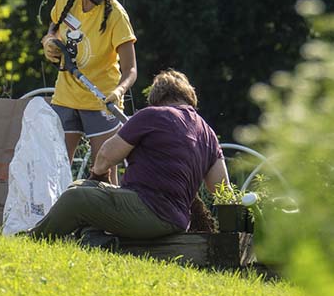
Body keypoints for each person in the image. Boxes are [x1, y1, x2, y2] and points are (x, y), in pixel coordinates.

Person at [27, 69, 231, 244]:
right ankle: (93, 238)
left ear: (157, 98)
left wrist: (98, 176)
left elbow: (106, 155)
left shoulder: (153, 115)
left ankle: (34, 239)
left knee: (76, 196)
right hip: (177, 221)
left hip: (148, 211)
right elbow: (221, 190)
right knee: (83, 188)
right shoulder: (209, 134)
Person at [41, 0, 137, 184]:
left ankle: (108, 221)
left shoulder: (116, 15)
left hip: (102, 101)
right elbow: (53, 29)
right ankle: (57, 220)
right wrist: (48, 42)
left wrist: (118, 91)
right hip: (66, 96)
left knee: (104, 173)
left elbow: (131, 70)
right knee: (56, 167)